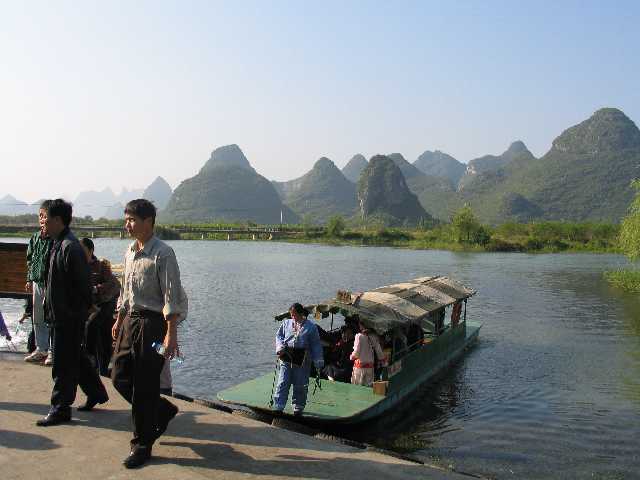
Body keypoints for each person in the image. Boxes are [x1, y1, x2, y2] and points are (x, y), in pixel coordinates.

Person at [111, 199, 188, 469]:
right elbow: (125, 292)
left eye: (132, 220)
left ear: (148, 222)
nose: (127, 225)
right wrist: (119, 319)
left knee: (145, 385)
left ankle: (142, 444)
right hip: (131, 322)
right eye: (126, 219)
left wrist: (171, 335)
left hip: (154, 325)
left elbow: (171, 296)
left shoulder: (163, 253)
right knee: (119, 376)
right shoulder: (130, 252)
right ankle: (162, 409)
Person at [36, 199, 109, 427]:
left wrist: (80, 311)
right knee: (74, 357)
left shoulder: (70, 247)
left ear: (58, 220)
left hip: (68, 317)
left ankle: (60, 408)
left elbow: (83, 286)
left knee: (62, 365)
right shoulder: (57, 243)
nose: (42, 222)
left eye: (46, 218)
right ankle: (96, 393)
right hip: (61, 314)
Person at [272, 303, 324, 415]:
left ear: (301, 314)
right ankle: (279, 406)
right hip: (286, 356)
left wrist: (318, 362)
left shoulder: (311, 327)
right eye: (291, 315)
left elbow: (316, 345)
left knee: (300, 384)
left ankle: (298, 407)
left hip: (302, 360)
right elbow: (279, 336)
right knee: (283, 381)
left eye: (294, 314)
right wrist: (280, 347)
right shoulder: (286, 323)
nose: (292, 317)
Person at [80, 237, 121, 376]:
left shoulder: (101, 266)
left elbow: (113, 284)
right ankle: (90, 361)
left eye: (83, 250)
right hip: (87, 306)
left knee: (97, 330)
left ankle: (97, 364)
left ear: (91, 250)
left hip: (104, 305)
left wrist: (96, 289)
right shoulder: (77, 266)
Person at [24, 215, 52, 365]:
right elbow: (30, 259)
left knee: (51, 318)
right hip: (37, 283)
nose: (42, 219)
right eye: (40, 216)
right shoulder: (35, 237)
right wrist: (29, 279)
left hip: (50, 284)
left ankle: (52, 351)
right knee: (38, 317)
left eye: (45, 216)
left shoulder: (55, 239)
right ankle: (41, 348)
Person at [350, 320, 384, 386]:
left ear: (361, 326)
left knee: (357, 387)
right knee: (368, 387)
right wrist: (383, 360)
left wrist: (351, 356)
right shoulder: (374, 336)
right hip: (370, 367)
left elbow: (356, 353)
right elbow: (379, 351)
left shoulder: (359, 336)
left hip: (359, 367)